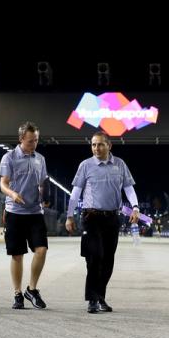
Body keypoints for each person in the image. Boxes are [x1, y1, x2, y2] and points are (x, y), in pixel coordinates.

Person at [65, 131, 140, 313]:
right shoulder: (86, 165)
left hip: (112, 218)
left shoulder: (120, 165)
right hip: (91, 218)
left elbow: (128, 189)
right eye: (93, 145)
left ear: (109, 146)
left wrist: (135, 207)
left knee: (108, 260)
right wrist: (69, 215)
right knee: (94, 257)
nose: (96, 148)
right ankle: (92, 299)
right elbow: (75, 193)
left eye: (100, 144)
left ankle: (101, 297)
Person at [0, 121, 49, 310]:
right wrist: (12, 194)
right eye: (30, 141)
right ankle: (17, 293)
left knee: (41, 250)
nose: (33, 144)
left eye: (36, 140)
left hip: (35, 212)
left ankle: (32, 289)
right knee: (17, 255)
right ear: (21, 139)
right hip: (15, 212)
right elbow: (3, 183)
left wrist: (45, 195)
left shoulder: (40, 159)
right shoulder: (9, 158)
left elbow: (43, 182)